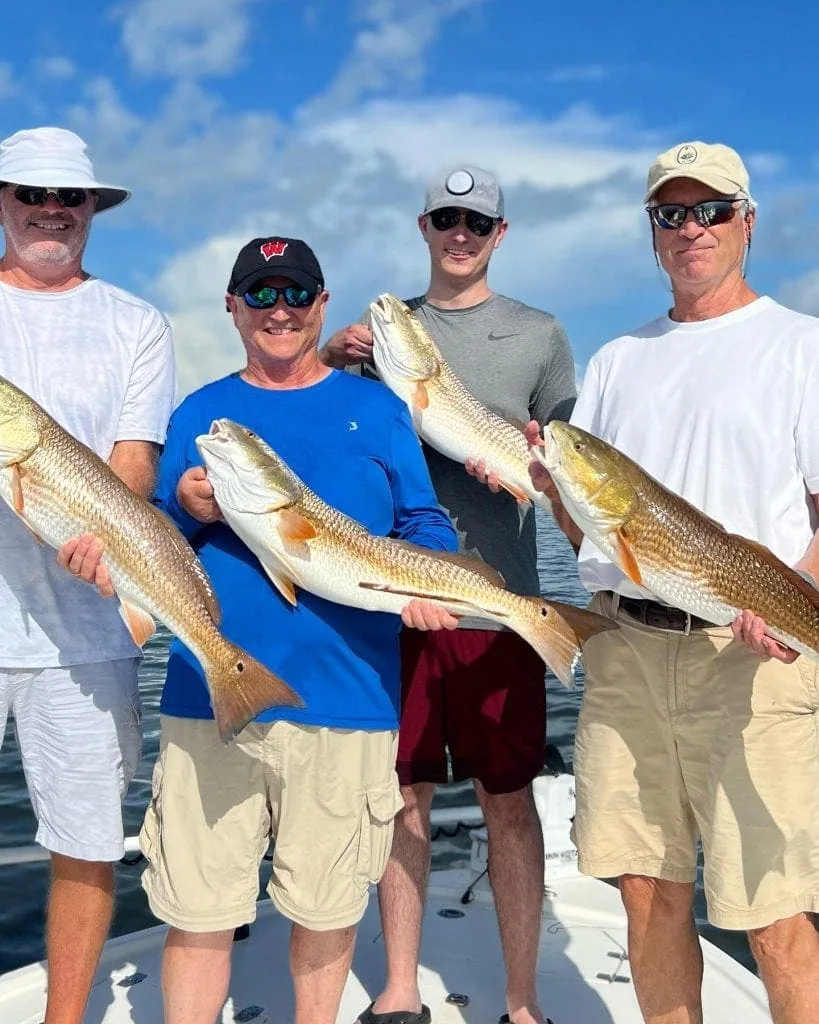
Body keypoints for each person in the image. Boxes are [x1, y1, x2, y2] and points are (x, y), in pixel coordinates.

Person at [526, 141, 819, 1024]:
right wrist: (556, 490)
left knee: (771, 914)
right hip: (624, 652)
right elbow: (598, 534)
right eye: (670, 214)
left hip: (752, 658)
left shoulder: (800, 345)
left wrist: (791, 611)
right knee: (644, 895)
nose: (690, 229)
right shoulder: (617, 360)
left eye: (709, 210)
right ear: (651, 232)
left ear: (746, 221)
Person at [138, 236, 459, 1024]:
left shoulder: (376, 407)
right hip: (209, 698)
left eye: (293, 295)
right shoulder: (198, 414)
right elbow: (150, 539)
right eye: (259, 295)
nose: (277, 311)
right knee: (199, 908)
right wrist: (182, 502)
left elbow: (423, 522)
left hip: (346, 702)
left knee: (324, 911)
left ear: (320, 304)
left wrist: (424, 581)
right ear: (232, 306)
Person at [322, 166, 576, 1024]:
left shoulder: (540, 335)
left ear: (499, 234)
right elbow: (337, 429)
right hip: (403, 595)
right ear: (422, 226)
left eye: (476, 221)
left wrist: (532, 462)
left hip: (506, 603)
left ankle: (521, 999)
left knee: (510, 799)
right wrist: (330, 356)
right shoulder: (375, 340)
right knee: (404, 795)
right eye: (444, 218)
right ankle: (397, 989)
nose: (459, 233)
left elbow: (569, 466)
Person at [0, 126, 176, 1024]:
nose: (50, 212)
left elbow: (136, 463)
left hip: (88, 629)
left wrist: (108, 529)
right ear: (3, 201)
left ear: (92, 211)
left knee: (85, 844)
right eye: (32, 194)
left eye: (68, 198)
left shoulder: (137, 322)